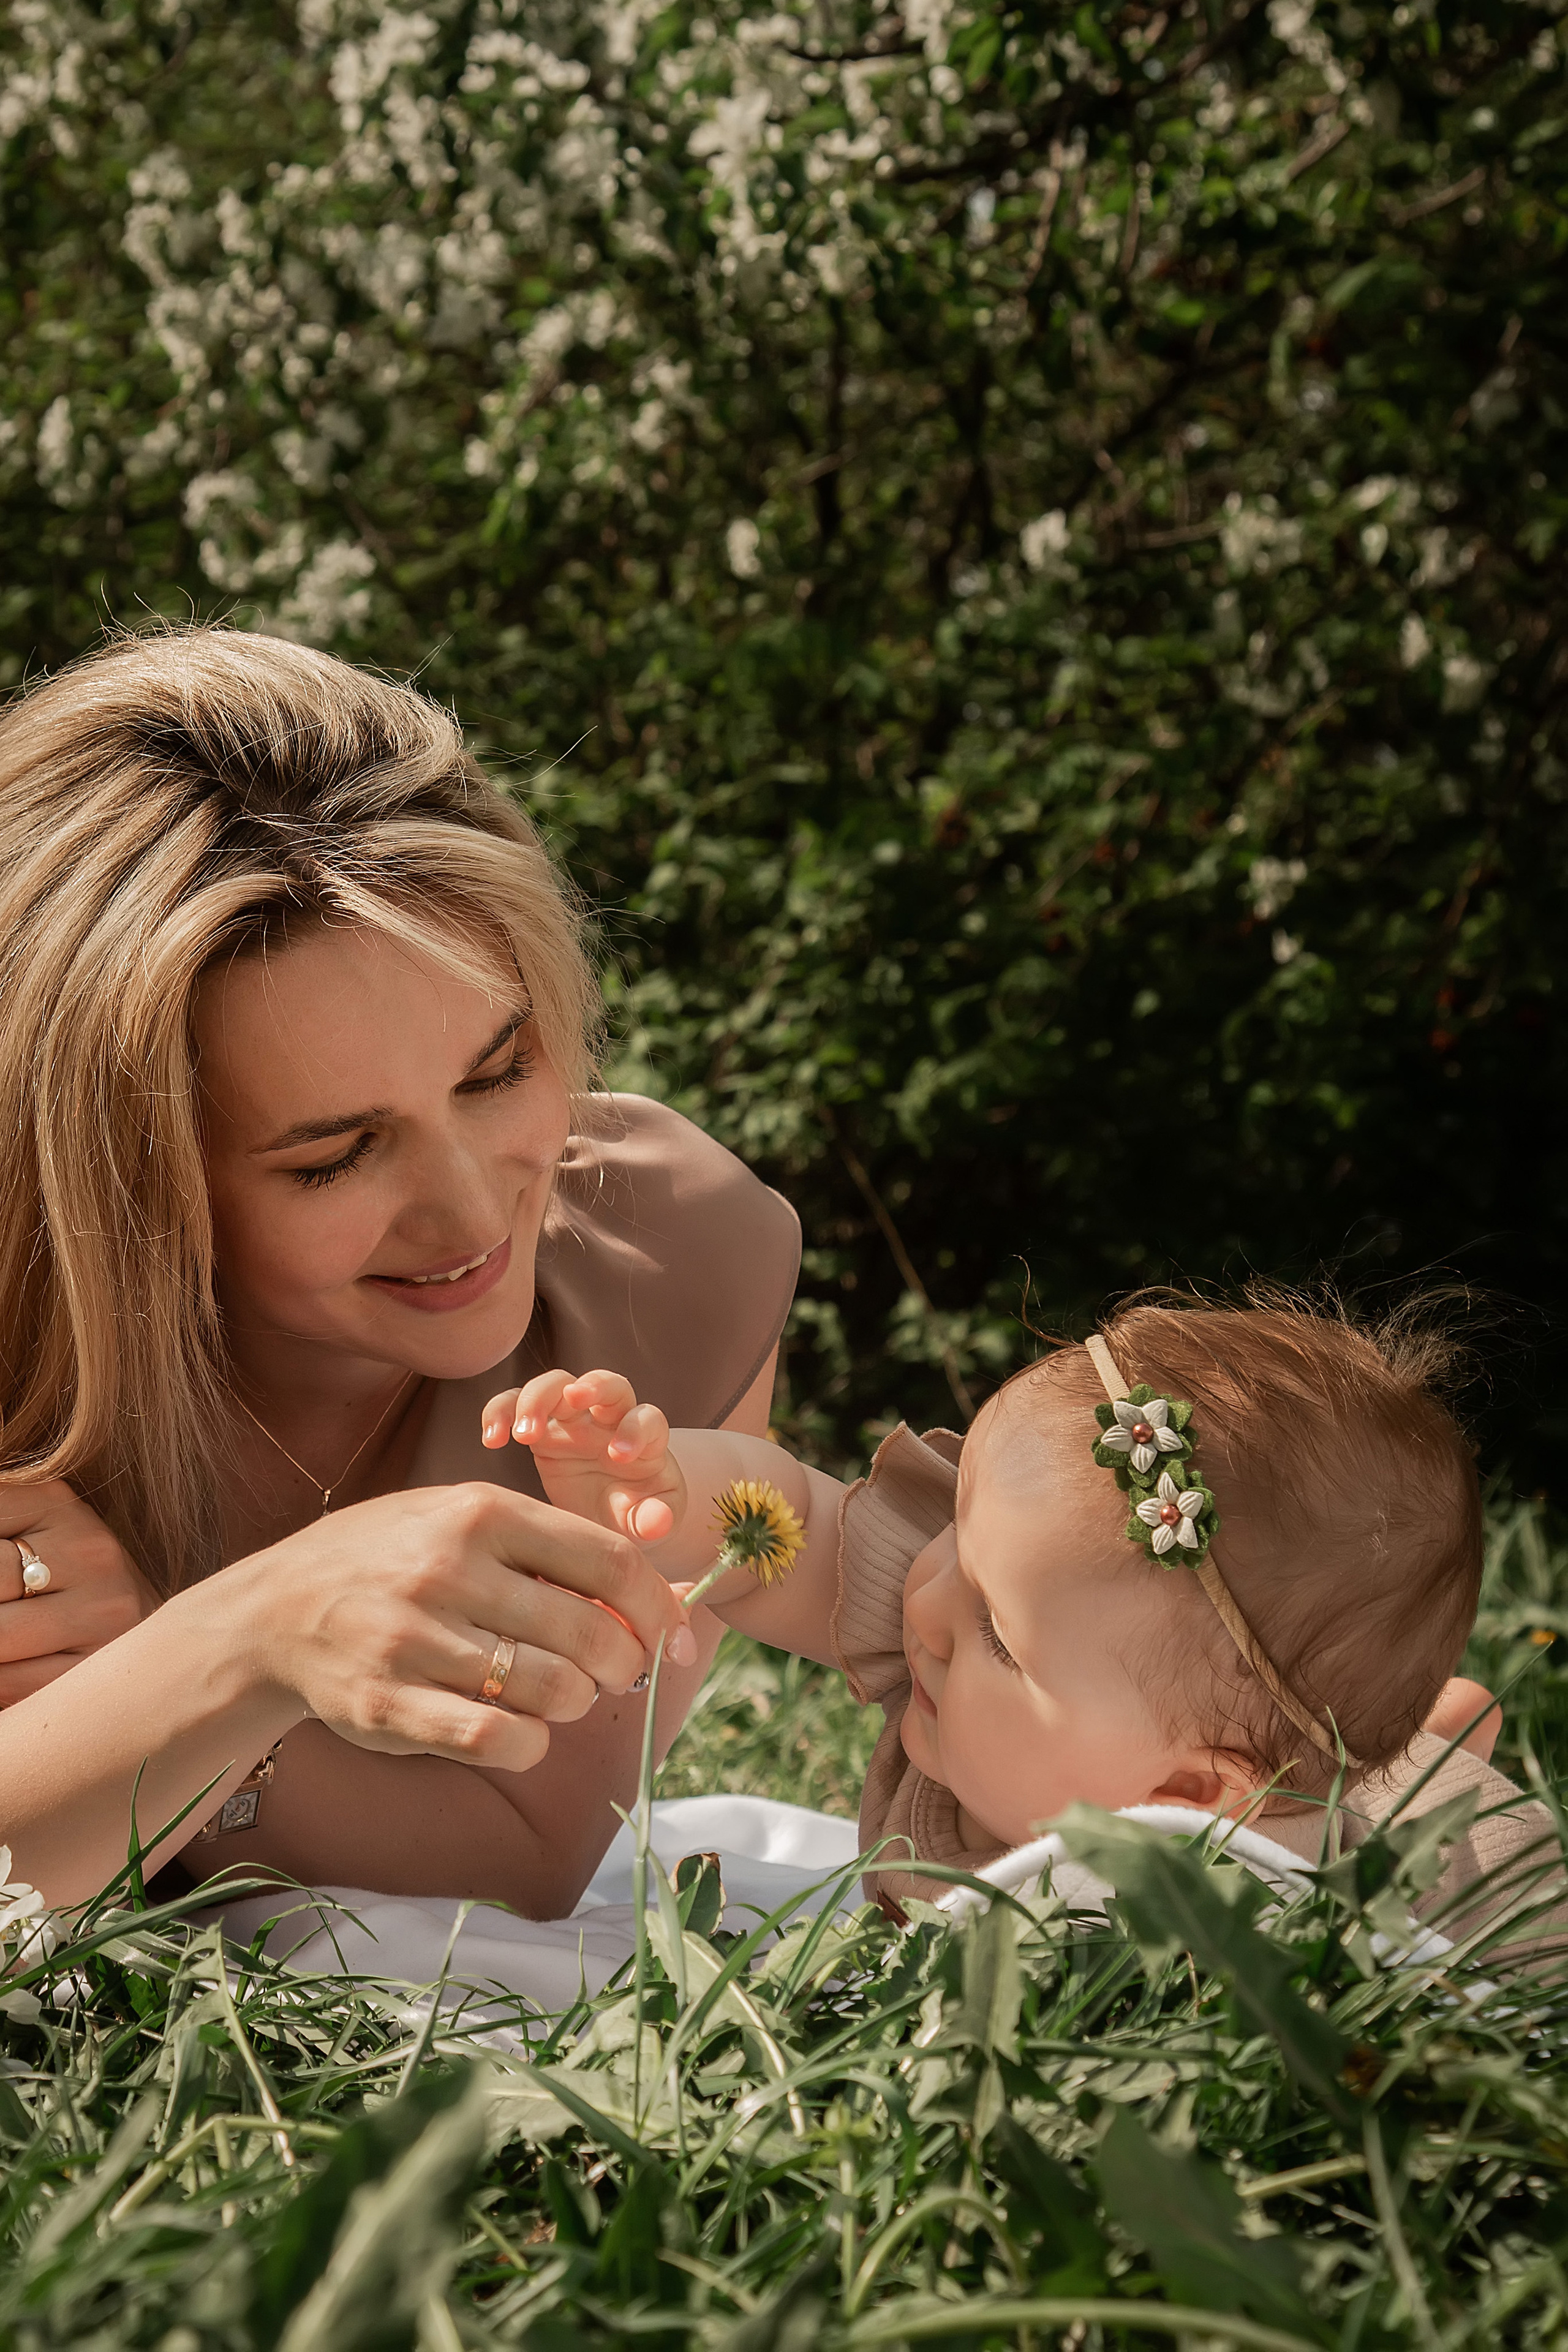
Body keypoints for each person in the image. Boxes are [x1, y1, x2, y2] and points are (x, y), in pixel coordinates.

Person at [0, 625, 799, 1913]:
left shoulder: (669, 1253)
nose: (476, 1208)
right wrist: (243, 1646)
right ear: (126, 1184)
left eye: (499, 1073)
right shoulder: (26, 1321)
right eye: (334, 1157)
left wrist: (195, 1656)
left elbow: (526, 1857)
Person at [487, 1298, 1560, 1951]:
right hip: (1267, 1760)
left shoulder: (1220, 1925)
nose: (929, 1599)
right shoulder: (983, 1614)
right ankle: (1428, 1738)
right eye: (955, 1528)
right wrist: (662, 1491)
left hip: (1482, 1886)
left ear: (1182, 1809)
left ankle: (1433, 1762)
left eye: (998, 1633)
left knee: (1422, 1820)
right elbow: (804, 1526)